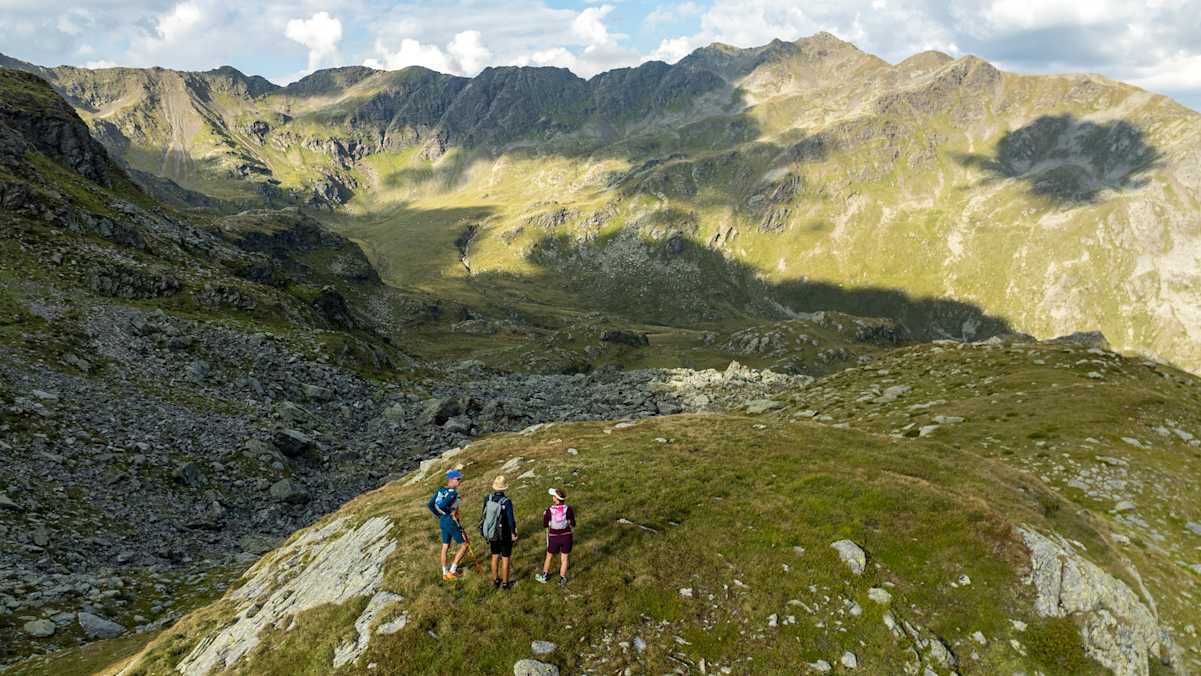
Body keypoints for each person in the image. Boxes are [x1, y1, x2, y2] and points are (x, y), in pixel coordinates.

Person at [428, 468, 468, 580]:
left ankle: (445, 573)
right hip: (451, 521)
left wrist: (439, 515)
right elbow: (442, 505)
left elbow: (430, 504)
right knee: (464, 544)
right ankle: (453, 571)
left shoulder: (441, 490)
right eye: (458, 479)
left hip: (443, 521)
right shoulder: (453, 493)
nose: (460, 481)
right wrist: (449, 513)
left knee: (445, 546)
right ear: (451, 480)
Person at [481, 475, 518, 589]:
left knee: (495, 556)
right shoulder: (507, 502)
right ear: (504, 488)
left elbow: (484, 514)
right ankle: (506, 583)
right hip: (505, 533)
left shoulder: (487, 498)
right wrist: (513, 533)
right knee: (505, 558)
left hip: (492, 532)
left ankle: (495, 580)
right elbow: (511, 519)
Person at [535, 487, 576, 587]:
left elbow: (545, 524)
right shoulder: (569, 509)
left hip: (554, 537)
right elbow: (573, 523)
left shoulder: (549, 510)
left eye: (553, 496)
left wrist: (546, 518)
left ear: (556, 499)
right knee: (565, 558)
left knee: (549, 556)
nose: (552, 497)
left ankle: (544, 576)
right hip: (566, 536)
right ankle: (562, 579)